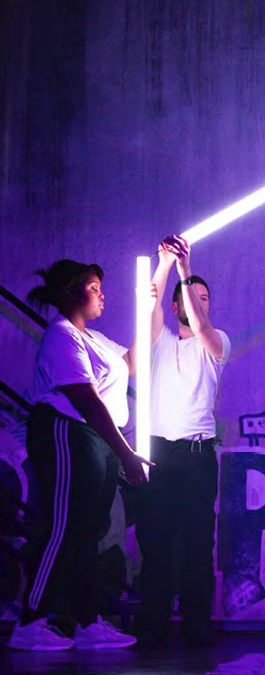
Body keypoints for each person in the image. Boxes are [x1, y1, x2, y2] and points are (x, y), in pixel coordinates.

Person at [8, 260, 149, 651]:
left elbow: (134, 363)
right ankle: (30, 621)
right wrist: (126, 453)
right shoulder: (61, 336)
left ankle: (88, 623)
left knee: (88, 531)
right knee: (63, 527)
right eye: (93, 286)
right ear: (71, 291)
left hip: (96, 438)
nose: (102, 293)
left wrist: (153, 296)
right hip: (67, 432)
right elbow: (85, 400)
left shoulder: (97, 340)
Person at [136, 235, 231, 648]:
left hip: (197, 457)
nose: (199, 302)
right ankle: (152, 624)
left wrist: (185, 272)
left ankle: (197, 626)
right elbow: (149, 308)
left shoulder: (217, 343)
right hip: (158, 454)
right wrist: (164, 262)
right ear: (176, 307)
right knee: (155, 542)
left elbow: (203, 325)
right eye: (192, 298)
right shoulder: (159, 343)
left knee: (197, 544)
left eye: (205, 297)